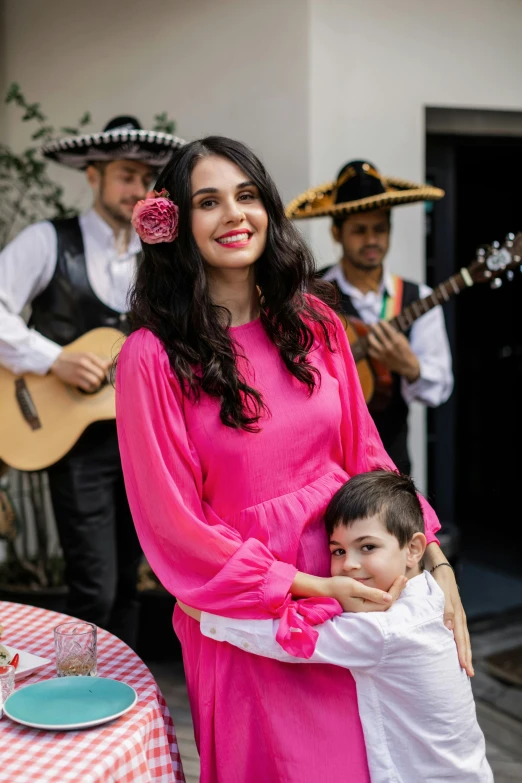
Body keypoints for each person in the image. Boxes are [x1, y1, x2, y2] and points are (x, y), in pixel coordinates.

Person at [115, 136, 471, 783]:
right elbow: (176, 529)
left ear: (269, 210)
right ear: (177, 223)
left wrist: (434, 565)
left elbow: (367, 455)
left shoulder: (316, 322)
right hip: (252, 613)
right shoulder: (151, 356)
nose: (234, 215)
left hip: (354, 595)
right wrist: (311, 587)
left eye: (247, 195)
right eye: (208, 201)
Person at [0, 116, 185, 647]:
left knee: (129, 584)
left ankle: (114, 697)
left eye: (146, 178)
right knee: (94, 588)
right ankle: (72, 695)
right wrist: (52, 358)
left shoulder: (157, 258)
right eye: (126, 175)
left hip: (138, 440)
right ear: (92, 175)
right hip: (74, 442)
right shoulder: (47, 240)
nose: (137, 189)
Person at [184, 470, 492, 783]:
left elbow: (284, 640)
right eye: (338, 551)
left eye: (368, 547)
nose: (349, 565)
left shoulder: (384, 630)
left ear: (414, 549)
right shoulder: (430, 593)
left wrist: (207, 613)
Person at [286, 161, 453, 473]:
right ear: (337, 232)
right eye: (359, 231)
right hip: (322, 462)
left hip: (391, 462)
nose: (371, 240)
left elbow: (439, 389)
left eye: (380, 229)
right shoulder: (308, 293)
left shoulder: (418, 297)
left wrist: (411, 367)